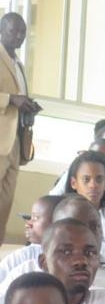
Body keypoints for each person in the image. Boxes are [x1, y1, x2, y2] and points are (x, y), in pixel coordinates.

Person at [0, 13, 40, 245]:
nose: (19, 36)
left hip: (17, 141)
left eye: (23, 31)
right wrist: (10, 99)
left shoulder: (19, 65)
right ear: (2, 31)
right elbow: (11, 99)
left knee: (5, 202)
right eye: (14, 31)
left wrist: (27, 105)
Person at [63, 150, 105, 266]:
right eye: (86, 179)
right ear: (73, 183)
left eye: (99, 180)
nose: (93, 185)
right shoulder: (60, 213)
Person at [0, 195, 61, 283]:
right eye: (30, 217)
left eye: (35, 218)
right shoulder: (23, 256)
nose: (28, 223)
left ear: (57, 222)